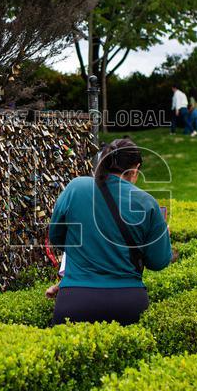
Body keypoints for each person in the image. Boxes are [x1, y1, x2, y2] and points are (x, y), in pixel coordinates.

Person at [47, 137, 173, 325]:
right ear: (135, 169)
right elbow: (158, 262)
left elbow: (56, 239)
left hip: (75, 300)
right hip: (127, 303)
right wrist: (162, 237)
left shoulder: (75, 188)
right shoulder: (146, 202)